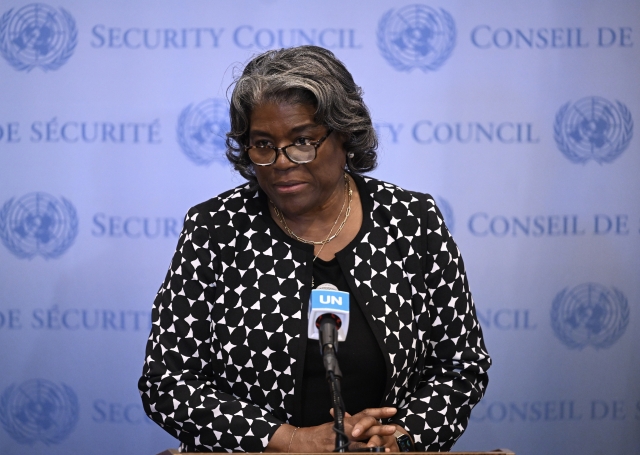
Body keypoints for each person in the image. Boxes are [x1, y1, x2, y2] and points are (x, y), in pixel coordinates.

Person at [139, 45, 491, 453]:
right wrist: (289, 442)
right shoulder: (216, 229)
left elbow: (461, 365)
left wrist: (401, 438)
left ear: (345, 134)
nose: (281, 161)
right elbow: (167, 382)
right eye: (263, 144)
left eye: (302, 140)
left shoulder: (412, 221)